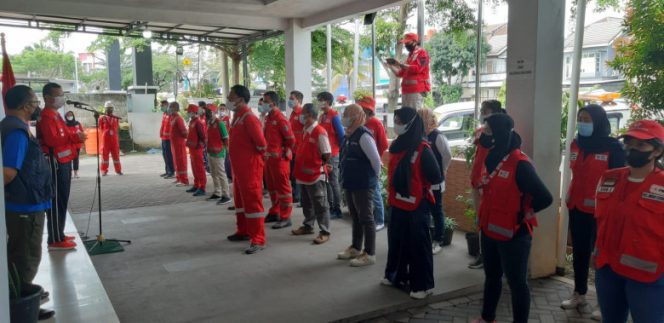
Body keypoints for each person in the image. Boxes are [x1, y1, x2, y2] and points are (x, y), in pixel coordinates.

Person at [471, 114, 553, 323]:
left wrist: (521, 213)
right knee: (492, 277)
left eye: (488, 131)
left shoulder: (520, 163)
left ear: (499, 132)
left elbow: (545, 197)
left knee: (517, 283)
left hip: (514, 235)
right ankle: (487, 317)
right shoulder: (490, 157)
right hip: (490, 230)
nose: (484, 134)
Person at [593, 120, 664, 323]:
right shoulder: (609, 178)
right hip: (607, 270)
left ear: (657, 151)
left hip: (647, 276)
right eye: (629, 143)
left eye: (641, 145)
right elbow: (600, 222)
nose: (632, 149)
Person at [561, 105, 625, 320]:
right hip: (577, 207)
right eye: (580, 118)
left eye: (587, 119)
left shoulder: (613, 148)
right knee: (579, 253)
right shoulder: (576, 144)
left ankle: (603, 302)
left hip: (602, 212)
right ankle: (579, 293)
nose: (582, 122)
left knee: (602, 257)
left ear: (598, 122)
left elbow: (619, 183)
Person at [2, 85, 56, 320]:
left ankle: (21, 301)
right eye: (35, 103)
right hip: (24, 207)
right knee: (25, 257)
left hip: (26, 203)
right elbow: (8, 173)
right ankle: (21, 307)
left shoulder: (14, 127)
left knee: (21, 255)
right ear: (25, 106)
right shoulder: (16, 132)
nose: (37, 107)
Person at [382, 107, 442, 300]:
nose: (396, 124)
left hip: (417, 206)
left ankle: (422, 285)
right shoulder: (398, 145)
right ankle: (395, 276)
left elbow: (435, 176)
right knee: (397, 242)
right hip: (397, 203)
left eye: (399, 120)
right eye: (396, 119)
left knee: (418, 245)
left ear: (410, 124)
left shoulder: (423, 149)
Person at [36, 82, 85, 250]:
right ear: (47, 98)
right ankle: (55, 239)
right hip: (55, 163)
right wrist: (74, 137)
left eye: (62, 94)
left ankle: (59, 233)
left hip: (64, 161)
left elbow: (64, 132)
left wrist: (75, 135)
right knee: (57, 200)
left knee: (63, 198)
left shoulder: (55, 114)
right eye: (58, 95)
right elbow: (52, 140)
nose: (61, 98)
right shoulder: (47, 116)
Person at [225, 85, 268, 255]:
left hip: (250, 169)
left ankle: (258, 239)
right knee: (241, 203)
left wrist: (252, 161)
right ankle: (243, 231)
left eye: (231, 97)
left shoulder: (249, 118)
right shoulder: (237, 116)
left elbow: (261, 144)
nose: (228, 100)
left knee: (252, 203)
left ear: (241, 99)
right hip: (239, 169)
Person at [338, 104, 381, 266]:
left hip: (363, 184)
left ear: (357, 117)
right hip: (351, 182)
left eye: (348, 114)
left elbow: (376, 160)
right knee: (355, 217)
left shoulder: (363, 135)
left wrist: (374, 178)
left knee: (366, 218)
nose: (345, 117)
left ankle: (370, 253)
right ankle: (356, 247)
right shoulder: (349, 134)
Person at [469, 100, 505, 270]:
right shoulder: (480, 132)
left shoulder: (503, 134)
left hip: (490, 186)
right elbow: (477, 156)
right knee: (480, 220)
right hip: (477, 182)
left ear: (495, 113)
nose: (482, 113)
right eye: (481, 110)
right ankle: (483, 254)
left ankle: (490, 256)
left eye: (485, 111)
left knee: (491, 222)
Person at [292, 103, 332, 245]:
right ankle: (308, 225)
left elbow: (327, 153)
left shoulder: (319, 131)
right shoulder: (305, 130)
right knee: (306, 202)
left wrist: (318, 164)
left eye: (303, 113)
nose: (301, 116)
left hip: (315, 174)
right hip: (303, 175)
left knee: (320, 204)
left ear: (310, 115)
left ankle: (324, 231)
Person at [418, 108, 452, 255]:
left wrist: (442, 171)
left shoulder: (437, 136)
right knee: (424, 210)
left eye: (421, 118)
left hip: (435, 181)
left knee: (436, 210)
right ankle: (427, 238)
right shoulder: (420, 135)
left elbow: (447, 156)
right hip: (422, 181)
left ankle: (439, 239)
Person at [261, 91, 296, 229]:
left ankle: (286, 217)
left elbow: (291, 140)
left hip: (280, 161)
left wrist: (283, 152)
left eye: (265, 101)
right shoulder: (269, 117)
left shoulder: (280, 119)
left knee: (283, 189)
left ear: (273, 103)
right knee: (272, 188)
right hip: (269, 161)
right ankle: (275, 212)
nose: (263, 103)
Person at [357, 96, 388, 232]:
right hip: (361, 163)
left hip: (373, 163)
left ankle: (380, 221)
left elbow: (384, 144)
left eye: (364, 109)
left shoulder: (376, 123)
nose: (362, 111)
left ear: (369, 111)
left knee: (375, 193)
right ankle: (368, 218)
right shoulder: (359, 123)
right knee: (365, 193)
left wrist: (377, 158)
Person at [316, 92, 344, 219]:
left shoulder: (334, 116)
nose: (319, 102)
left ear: (327, 101)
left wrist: (337, 150)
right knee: (327, 181)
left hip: (332, 154)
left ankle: (337, 210)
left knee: (333, 182)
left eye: (321, 100)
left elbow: (341, 135)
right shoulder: (322, 116)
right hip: (324, 154)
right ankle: (331, 207)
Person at [386, 33, 430, 110]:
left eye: (407, 42)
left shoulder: (422, 53)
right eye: (405, 43)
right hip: (406, 91)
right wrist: (390, 66)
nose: (406, 45)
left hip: (416, 91)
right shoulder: (410, 56)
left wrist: (401, 65)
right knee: (407, 116)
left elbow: (418, 68)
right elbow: (399, 73)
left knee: (414, 115)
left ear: (415, 42)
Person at [204, 104, 232, 204]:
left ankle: (226, 195)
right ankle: (217, 192)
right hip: (210, 152)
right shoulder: (209, 123)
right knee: (213, 173)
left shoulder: (220, 123)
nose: (206, 113)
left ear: (214, 112)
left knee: (221, 173)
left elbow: (226, 138)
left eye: (208, 111)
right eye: (206, 111)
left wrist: (225, 150)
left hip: (219, 152)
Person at [185, 104, 207, 196]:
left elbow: (202, 136)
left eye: (189, 112)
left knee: (199, 168)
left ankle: (202, 187)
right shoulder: (191, 122)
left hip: (197, 148)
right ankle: (196, 184)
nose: (187, 113)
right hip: (192, 148)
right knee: (194, 168)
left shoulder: (198, 122)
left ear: (194, 112)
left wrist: (201, 145)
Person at [288, 90, 305, 205]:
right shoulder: (293, 113)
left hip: (300, 149)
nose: (289, 100)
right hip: (292, 148)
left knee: (298, 174)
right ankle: (295, 194)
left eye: (292, 98)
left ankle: (299, 196)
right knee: (292, 173)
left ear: (298, 100)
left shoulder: (302, 114)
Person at [99, 101, 122, 176]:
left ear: (113, 109)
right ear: (105, 109)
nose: (110, 109)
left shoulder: (116, 118)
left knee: (116, 155)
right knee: (104, 155)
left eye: (111, 108)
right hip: (106, 140)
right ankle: (104, 170)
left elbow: (117, 128)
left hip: (114, 140)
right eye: (108, 108)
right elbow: (101, 128)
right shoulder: (102, 118)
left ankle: (118, 170)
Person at [169, 102, 189, 186]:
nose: (169, 108)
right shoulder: (172, 117)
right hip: (174, 143)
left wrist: (183, 139)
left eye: (170, 107)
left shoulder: (178, 118)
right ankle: (178, 178)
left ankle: (184, 180)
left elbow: (184, 131)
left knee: (181, 161)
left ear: (175, 108)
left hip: (179, 143)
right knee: (176, 161)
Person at [65, 111, 84, 179]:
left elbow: (82, 132)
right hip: (68, 145)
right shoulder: (64, 124)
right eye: (68, 115)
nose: (70, 116)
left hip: (77, 145)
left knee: (76, 159)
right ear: (66, 117)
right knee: (68, 159)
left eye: (71, 115)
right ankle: (69, 173)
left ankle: (76, 173)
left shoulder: (77, 123)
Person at [159, 100, 175, 179]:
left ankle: (171, 172)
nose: (161, 107)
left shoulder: (171, 115)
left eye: (162, 105)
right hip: (163, 138)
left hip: (169, 139)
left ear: (166, 105)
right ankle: (167, 171)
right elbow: (163, 126)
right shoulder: (164, 114)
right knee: (165, 155)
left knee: (169, 156)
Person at [219, 103, 233, 183]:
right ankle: (225, 176)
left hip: (227, 142)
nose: (221, 111)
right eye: (220, 109)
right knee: (223, 160)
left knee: (227, 160)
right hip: (221, 143)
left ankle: (230, 177)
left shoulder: (227, 118)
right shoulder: (219, 119)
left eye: (223, 109)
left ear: (226, 110)